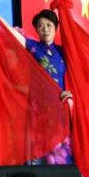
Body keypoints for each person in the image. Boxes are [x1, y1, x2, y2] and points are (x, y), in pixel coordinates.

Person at [23, 9, 74, 165]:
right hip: (37, 108)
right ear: (36, 29)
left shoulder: (64, 51)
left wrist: (72, 92)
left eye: (48, 25)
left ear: (56, 28)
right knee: (38, 155)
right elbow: (10, 34)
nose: (45, 29)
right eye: (40, 26)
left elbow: (78, 75)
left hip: (60, 109)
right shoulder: (31, 46)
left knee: (60, 156)